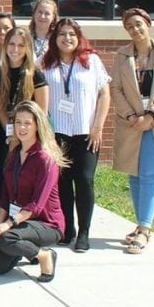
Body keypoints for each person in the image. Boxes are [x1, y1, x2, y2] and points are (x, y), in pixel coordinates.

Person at [110, 8, 154, 255]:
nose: (135, 29)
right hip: (130, 124)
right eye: (130, 26)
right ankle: (141, 225)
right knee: (134, 173)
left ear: (148, 24)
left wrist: (151, 116)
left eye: (139, 24)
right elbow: (115, 89)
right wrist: (131, 115)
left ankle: (144, 228)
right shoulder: (121, 56)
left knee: (148, 173)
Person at [42, 18, 110, 251]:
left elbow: (104, 95)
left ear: (79, 37)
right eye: (62, 34)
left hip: (86, 133)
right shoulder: (46, 63)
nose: (67, 38)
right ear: (55, 38)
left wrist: (98, 127)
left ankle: (84, 231)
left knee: (84, 180)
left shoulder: (91, 61)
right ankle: (67, 228)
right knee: (62, 182)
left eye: (72, 34)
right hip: (57, 133)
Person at [0, 101, 65, 281]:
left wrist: (8, 225)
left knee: (8, 239)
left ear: (37, 125)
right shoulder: (14, 153)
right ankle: (27, 250)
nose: (22, 127)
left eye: (28, 123)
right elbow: (5, 195)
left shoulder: (46, 159)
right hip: (20, 221)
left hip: (46, 223)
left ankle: (44, 255)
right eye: (18, 122)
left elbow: (37, 205)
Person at [0, 26, 48, 221]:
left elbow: (42, 112)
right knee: (0, 175)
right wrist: (10, 134)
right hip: (5, 132)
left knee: (25, 178)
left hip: (30, 134)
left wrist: (23, 136)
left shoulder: (36, 75)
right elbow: (0, 107)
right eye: (11, 44)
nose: (15, 49)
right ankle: (1, 217)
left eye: (21, 45)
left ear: (28, 48)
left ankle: (24, 219)